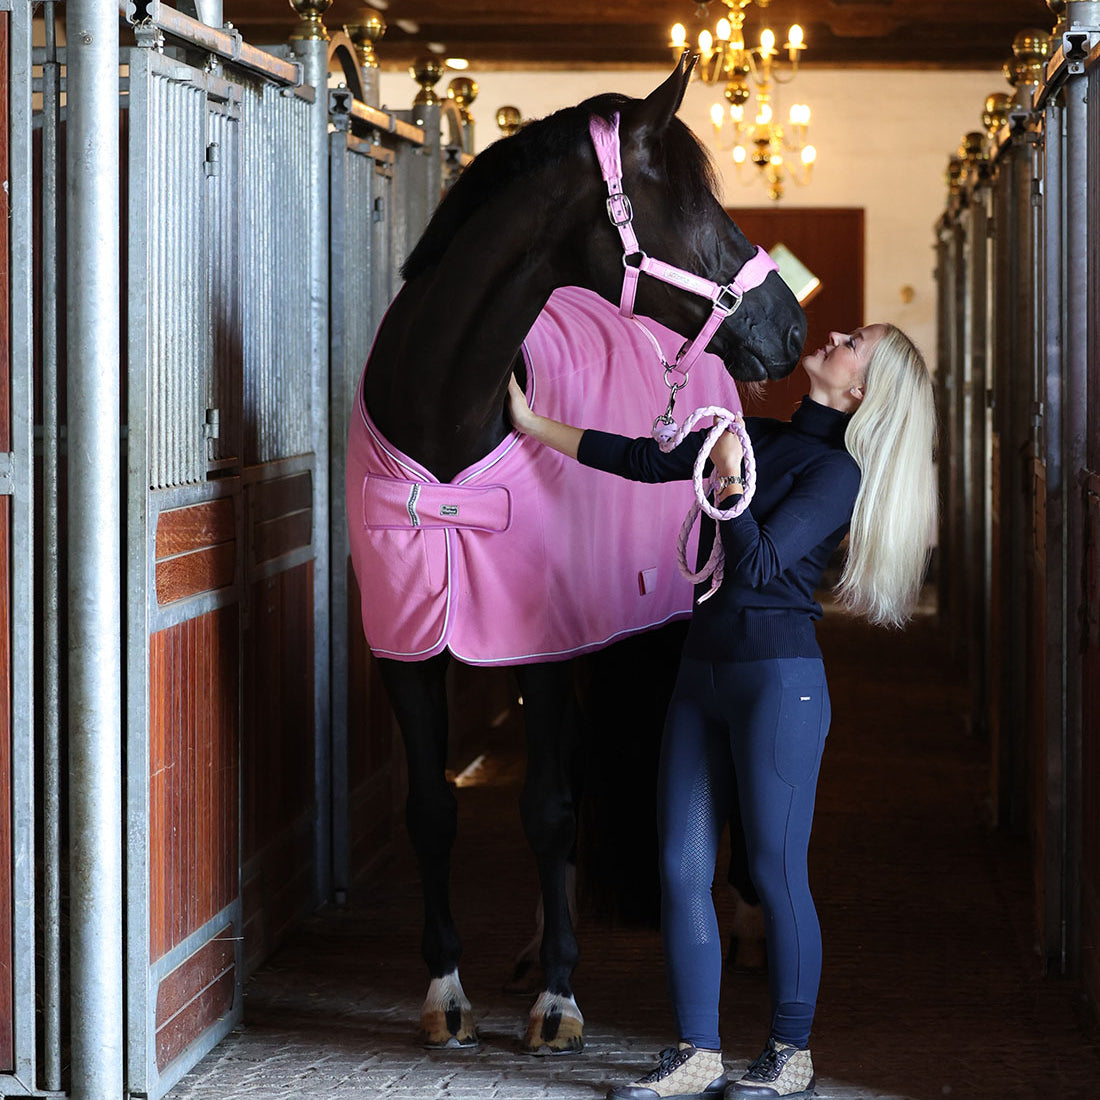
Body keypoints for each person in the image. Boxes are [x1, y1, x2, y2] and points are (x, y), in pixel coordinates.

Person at [507, 324, 937, 1100]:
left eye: (857, 342)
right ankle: (697, 1052)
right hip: (701, 673)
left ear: (860, 392)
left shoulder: (836, 472)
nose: (837, 334)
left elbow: (764, 562)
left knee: (775, 873)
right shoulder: (754, 434)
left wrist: (734, 486)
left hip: (779, 684)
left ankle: (790, 1052)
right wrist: (532, 423)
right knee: (680, 866)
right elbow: (642, 459)